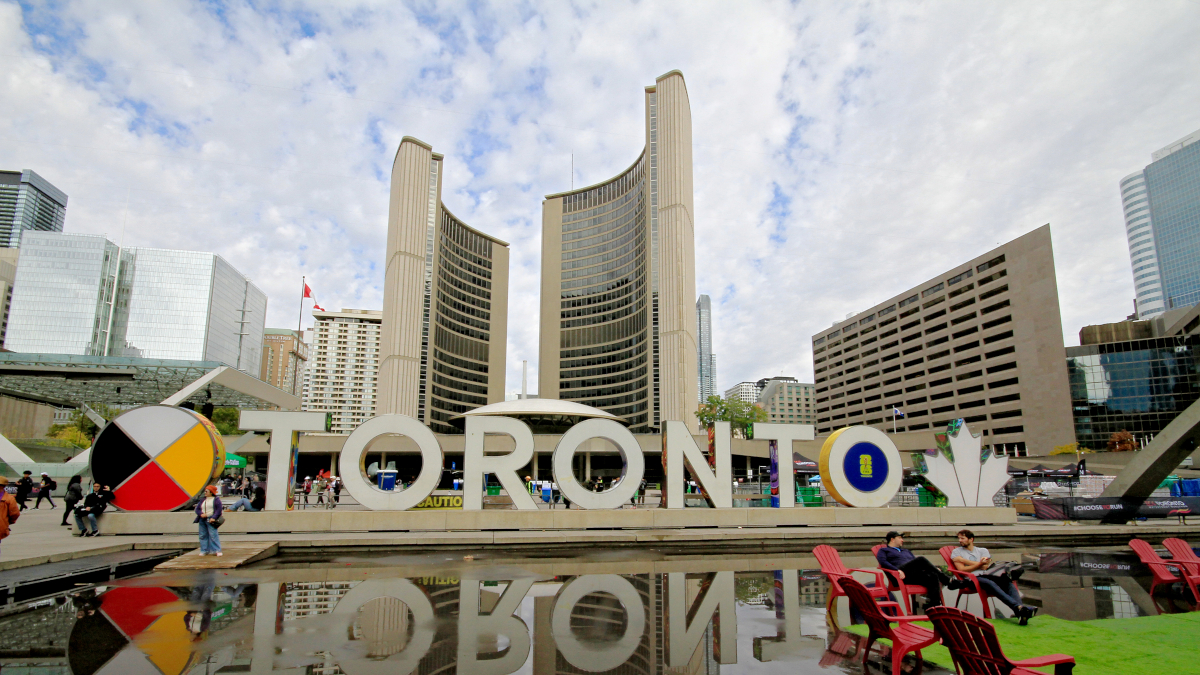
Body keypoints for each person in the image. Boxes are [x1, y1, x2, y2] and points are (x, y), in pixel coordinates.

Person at [950, 529, 1038, 624]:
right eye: (959, 538)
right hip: (971, 580)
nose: (960, 540)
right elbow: (962, 569)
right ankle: (1019, 609)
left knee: (1008, 582)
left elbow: (985, 567)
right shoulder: (956, 552)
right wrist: (980, 564)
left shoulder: (983, 551)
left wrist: (964, 561)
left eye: (962, 538)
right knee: (989, 583)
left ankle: (1020, 611)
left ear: (971, 539)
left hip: (988, 575)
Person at [875, 531, 964, 609]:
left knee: (933, 575)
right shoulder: (884, 550)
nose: (902, 540)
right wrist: (897, 570)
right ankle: (948, 581)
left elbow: (916, 564)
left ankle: (934, 606)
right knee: (921, 559)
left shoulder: (906, 551)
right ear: (892, 539)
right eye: (900, 538)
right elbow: (883, 562)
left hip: (912, 575)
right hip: (899, 575)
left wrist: (933, 569)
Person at [194, 485, 223, 556]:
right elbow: (197, 509)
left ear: (211, 492)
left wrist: (214, 517)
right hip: (202, 519)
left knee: (213, 535)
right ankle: (204, 550)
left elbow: (219, 510)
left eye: (206, 491)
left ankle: (217, 550)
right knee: (202, 535)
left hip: (211, 519)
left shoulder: (216, 500)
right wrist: (201, 514)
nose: (205, 493)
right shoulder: (203, 500)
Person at [0, 476, 20, 555]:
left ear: (2, 486)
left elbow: (15, 514)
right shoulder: (9, 498)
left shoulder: (9, 499)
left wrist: (6, 522)